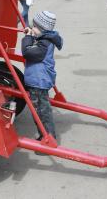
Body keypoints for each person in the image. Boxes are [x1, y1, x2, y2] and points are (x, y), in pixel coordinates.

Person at [22, 11, 63, 145]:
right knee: (40, 110)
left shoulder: (44, 44)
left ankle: (49, 138)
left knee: (42, 112)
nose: (32, 28)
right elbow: (36, 43)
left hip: (39, 82)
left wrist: (27, 38)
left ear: (42, 29)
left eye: (34, 27)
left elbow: (28, 52)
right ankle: (44, 134)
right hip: (39, 80)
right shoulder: (44, 39)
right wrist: (31, 34)